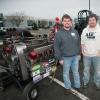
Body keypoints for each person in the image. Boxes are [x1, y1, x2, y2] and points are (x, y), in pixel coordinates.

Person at [54, 14, 81, 94]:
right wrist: (60, 58)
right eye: (65, 21)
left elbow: (78, 43)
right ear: (62, 22)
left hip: (75, 57)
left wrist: (79, 54)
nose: (67, 22)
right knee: (66, 74)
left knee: (76, 72)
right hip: (65, 58)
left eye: (68, 21)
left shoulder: (75, 31)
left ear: (71, 22)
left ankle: (77, 86)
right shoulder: (59, 33)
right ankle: (68, 87)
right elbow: (56, 47)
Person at [81, 14, 100, 89]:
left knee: (98, 71)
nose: (91, 21)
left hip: (97, 55)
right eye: (90, 20)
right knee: (86, 70)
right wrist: (82, 50)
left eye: (93, 20)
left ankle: (97, 83)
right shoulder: (85, 30)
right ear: (88, 21)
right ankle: (85, 82)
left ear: (96, 20)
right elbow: (82, 41)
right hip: (86, 55)